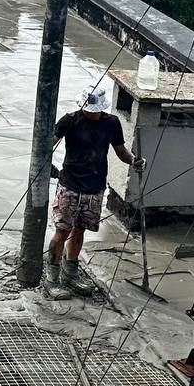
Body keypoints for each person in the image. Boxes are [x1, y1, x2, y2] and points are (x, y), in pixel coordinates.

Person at [47, 84, 142, 294]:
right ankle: (52, 278)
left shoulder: (112, 123)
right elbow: (47, 145)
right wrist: (48, 167)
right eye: (89, 111)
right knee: (62, 231)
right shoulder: (69, 120)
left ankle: (70, 273)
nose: (92, 114)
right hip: (70, 185)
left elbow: (121, 152)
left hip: (95, 186)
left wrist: (135, 161)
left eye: (96, 111)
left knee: (79, 230)